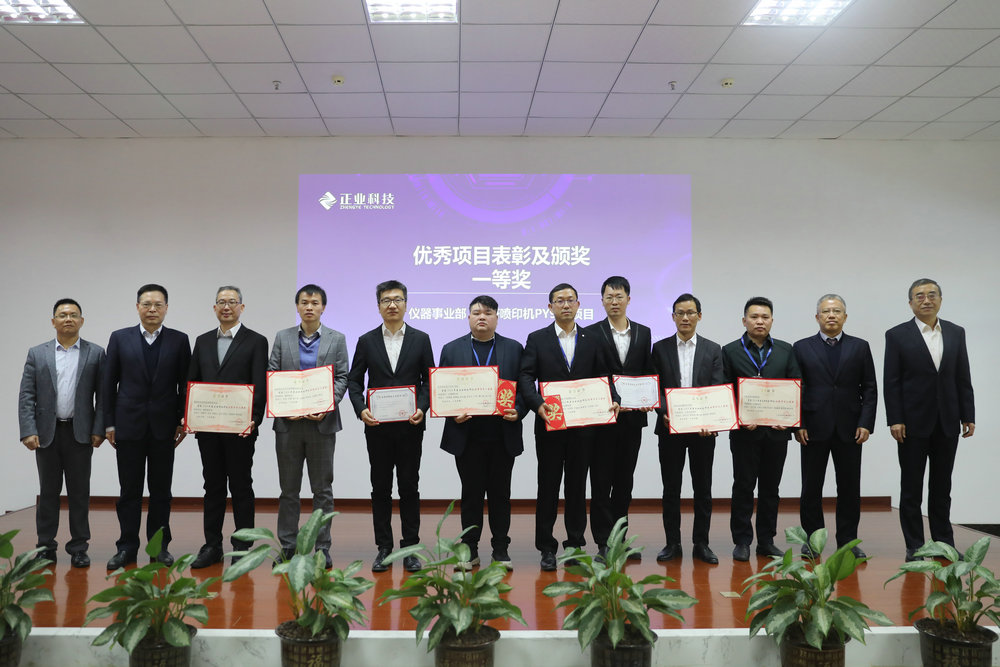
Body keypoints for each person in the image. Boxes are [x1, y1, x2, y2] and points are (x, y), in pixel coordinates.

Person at [518, 283, 618, 571]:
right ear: (550, 307)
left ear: (578, 305)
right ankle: (546, 547)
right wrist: (537, 404)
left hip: (583, 427)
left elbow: (604, 376)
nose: (565, 305)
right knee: (548, 486)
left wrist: (614, 398)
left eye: (570, 300)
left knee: (577, 486)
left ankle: (575, 544)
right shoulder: (537, 339)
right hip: (550, 424)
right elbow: (526, 376)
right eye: (559, 301)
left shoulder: (593, 338)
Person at [884, 279, 974, 562]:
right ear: (910, 303)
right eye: (920, 296)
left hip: (947, 420)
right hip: (911, 423)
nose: (926, 300)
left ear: (940, 300)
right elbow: (891, 381)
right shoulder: (897, 335)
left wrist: (968, 414)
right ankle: (915, 546)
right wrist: (895, 418)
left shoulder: (956, 332)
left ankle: (944, 543)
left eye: (932, 295)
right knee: (911, 488)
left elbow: (962, 376)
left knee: (942, 487)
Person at [347, 280, 434, 573]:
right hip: (378, 427)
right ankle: (384, 548)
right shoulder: (366, 340)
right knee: (381, 487)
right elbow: (355, 381)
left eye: (397, 299)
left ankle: (410, 548)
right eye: (386, 300)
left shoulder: (421, 339)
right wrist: (361, 409)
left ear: (406, 304)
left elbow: (428, 380)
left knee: (409, 486)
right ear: (378, 306)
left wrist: (422, 407)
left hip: (410, 425)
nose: (392, 305)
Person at [103, 284, 190, 569]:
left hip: (164, 428)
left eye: (158, 305)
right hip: (128, 426)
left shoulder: (179, 340)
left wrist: (182, 420)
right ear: (137, 307)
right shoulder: (120, 338)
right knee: (129, 491)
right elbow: (108, 384)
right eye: (146, 304)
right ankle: (126, 547)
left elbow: (185, 385)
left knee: (161, 491)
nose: (152, 309)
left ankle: (159, 547)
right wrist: (109, 423)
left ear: (166, 308)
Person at [439, 295, 526, 570]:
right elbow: (443, 390)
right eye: (476, 312)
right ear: (468, 317)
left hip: (502, 435)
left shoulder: (514, 348)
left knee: (501, 495)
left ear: (496, 318)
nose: (482, 317)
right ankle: (470, 550)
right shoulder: (451, 349)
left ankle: (501, 550)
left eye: (488, 313)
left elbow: (524, 388)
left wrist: (519, 410)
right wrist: (452, 412)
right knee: (471, 495)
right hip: (467, 437)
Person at [18, 299, 105, 568]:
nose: (68, 319)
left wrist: (99, 429)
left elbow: (103, 397)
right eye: (62, 315)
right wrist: (28, 430)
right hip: (47, 433)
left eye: (73, 315)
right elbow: (27, 395)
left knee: (79, 493)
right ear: (53, 321)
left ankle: (79, 547)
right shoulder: (37, 353)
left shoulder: (95, 353)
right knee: (48, 492)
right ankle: (46, 547)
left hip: (80, 434)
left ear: (82, 321)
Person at [187, 286, 268, 568]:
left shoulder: (256, 341)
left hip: (240, 428)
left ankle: (243, 545)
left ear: (241, 307)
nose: (226, 307)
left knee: (241, 486)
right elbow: (193, 381)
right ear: (214, 308)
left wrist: (254, 418)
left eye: (232, 302)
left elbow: (260, 384)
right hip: (208, 428)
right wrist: (189, 415)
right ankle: (212, 545)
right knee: (212, 487)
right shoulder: (202, 341)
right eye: (221, 302)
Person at [268, 284, 349, 568]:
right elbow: (272, 373)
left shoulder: (337, 339)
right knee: (289, 490)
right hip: (288, 426)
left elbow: (342, 377)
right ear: (298, 306)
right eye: (304, 302)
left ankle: (322, 547)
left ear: (323, 307)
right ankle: (288, 546)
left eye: (315, 303)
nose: (309, 307)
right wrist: (284, 407)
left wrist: (326, 405)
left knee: (322, 490)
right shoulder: (283, 337)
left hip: (321, 425)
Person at [793, 294, 877, 559]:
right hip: (813, 428)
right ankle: (813, 540)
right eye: (826, 311)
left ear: (845, 317)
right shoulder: (801, 347)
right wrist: (799, 423)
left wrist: (866, 423)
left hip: (850, 429)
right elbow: (796, 388)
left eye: (837, 311)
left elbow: (870, 388)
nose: (831, 315)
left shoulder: (860, 347)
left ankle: (848, 541)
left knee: (850, 488)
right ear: (817, 317)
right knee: (811, 487)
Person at [721, 296, 802, 561]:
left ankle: (766, 541)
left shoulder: (785, 350)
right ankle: (742, 540)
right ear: (744, 321)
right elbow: (724, 390)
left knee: (771, 489)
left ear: (772, 321)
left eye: (765, 317)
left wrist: (789, 419)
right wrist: (739, 417)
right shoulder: (730, 351)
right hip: (744, 433)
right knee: (743, 487)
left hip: (776, 433)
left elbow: (796, 386)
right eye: (754, 317)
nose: (759, 321)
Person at [651, 293, 725, 564]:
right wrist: (664, 412)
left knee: (702, 488)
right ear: (673, 317)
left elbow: (717, 387)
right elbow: (655, 388)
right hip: (670, 428)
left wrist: (711, 419)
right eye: (680, 313)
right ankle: (672, 543)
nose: (685, 317)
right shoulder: (660, 349)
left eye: (690, 313)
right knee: (671, 488)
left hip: (703, 431)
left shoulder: (713, 349)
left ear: (699, 316)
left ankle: (701, 543)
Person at [584, 276, 651, 560]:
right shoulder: (590, 333)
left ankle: (620, 540)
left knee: (625, 482)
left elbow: (646, 372)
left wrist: (649, 399)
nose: (614, 302)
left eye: (619, 296)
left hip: (633, 421)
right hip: (602, 419)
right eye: (609, 297)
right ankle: (603, 543)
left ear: (628, 300)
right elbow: (590, 374)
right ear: (602, 301)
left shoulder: (644, 333)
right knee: (601, 482)